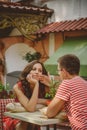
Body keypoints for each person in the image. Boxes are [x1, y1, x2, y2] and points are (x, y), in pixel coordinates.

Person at [3, 60, 51, 130]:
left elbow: (54, 102)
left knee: (34, 123)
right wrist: (36, 84)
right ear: (28, 72)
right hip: (17, 119)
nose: (37, 72)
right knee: (26, 123)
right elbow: (31, 108)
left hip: (35, 118)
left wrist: (50, 84)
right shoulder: (17, 87)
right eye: (34, 69)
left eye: (40, 71)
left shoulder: (44, 86)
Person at [46, 54, 87, 130]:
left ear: (64, 71)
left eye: (58, 70)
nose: (58, 73)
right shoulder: (85, 83)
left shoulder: (67, 83)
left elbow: (49, 113)